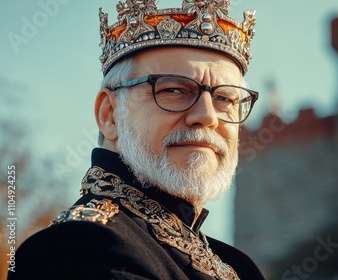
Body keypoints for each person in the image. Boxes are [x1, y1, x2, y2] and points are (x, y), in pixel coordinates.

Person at [8, 0, 264, 279]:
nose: (207, 116)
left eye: (225, 98)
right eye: (175, 90)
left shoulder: (235, 264)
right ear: (110, 116)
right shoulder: (78, 248)